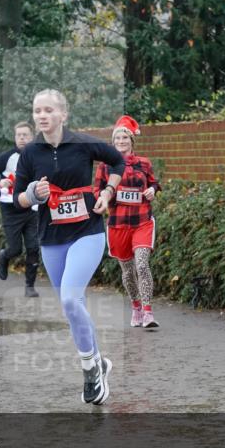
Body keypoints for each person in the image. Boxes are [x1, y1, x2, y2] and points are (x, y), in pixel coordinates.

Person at [14, 89, 124, 405]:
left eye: (49, 110)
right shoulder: (30, 153)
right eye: (37, 110)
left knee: (70, 298)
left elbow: (118, 162)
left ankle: (91, 371)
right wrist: (34, 193)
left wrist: (107, 193)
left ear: (64, 114)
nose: (42, 116)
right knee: (71, 307)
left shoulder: (83, 144)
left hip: (87, 233)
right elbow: (19, 200)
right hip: (51, 239)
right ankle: (100, 362)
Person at [95, 115, 160, 328]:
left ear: (132, 141)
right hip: (118, 223)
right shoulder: (105, 166)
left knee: (142, 265)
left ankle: (149, 312)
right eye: (118, 138)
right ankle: (136, 307)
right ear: (113, 143)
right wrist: (105, 196)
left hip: (142, 220)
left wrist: (152, 191)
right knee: (128, 271)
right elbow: (97, 190)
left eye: (125, 138)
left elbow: (154, 184)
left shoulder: (144, 163)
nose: (121, 141)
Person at [0, 120, 40, 297]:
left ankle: (30, 286)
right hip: (11, 208)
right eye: (18, 135)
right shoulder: (8, 156)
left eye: (25, 135)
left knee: (33, 247)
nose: (21, 138)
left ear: (32, 137)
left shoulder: (38, 155)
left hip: (32, 208)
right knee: (15, 249)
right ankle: (5, 255)